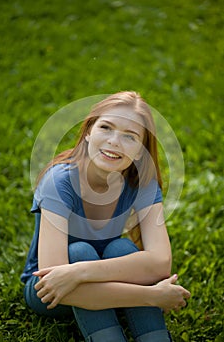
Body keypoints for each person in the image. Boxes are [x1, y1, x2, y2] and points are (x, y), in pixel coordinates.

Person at [21, 91, 190, 342]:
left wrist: (81, 272)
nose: (114, 142)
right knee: (79, 251)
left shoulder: (143, 183)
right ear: (89, 131)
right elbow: (52, 281)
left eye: (129, 137)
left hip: (88, 275)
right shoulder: (59, 182)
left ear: (141, 151)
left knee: (121, 247)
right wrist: (151, 296)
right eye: (106, 127)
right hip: (48, 292)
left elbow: (160, 262)